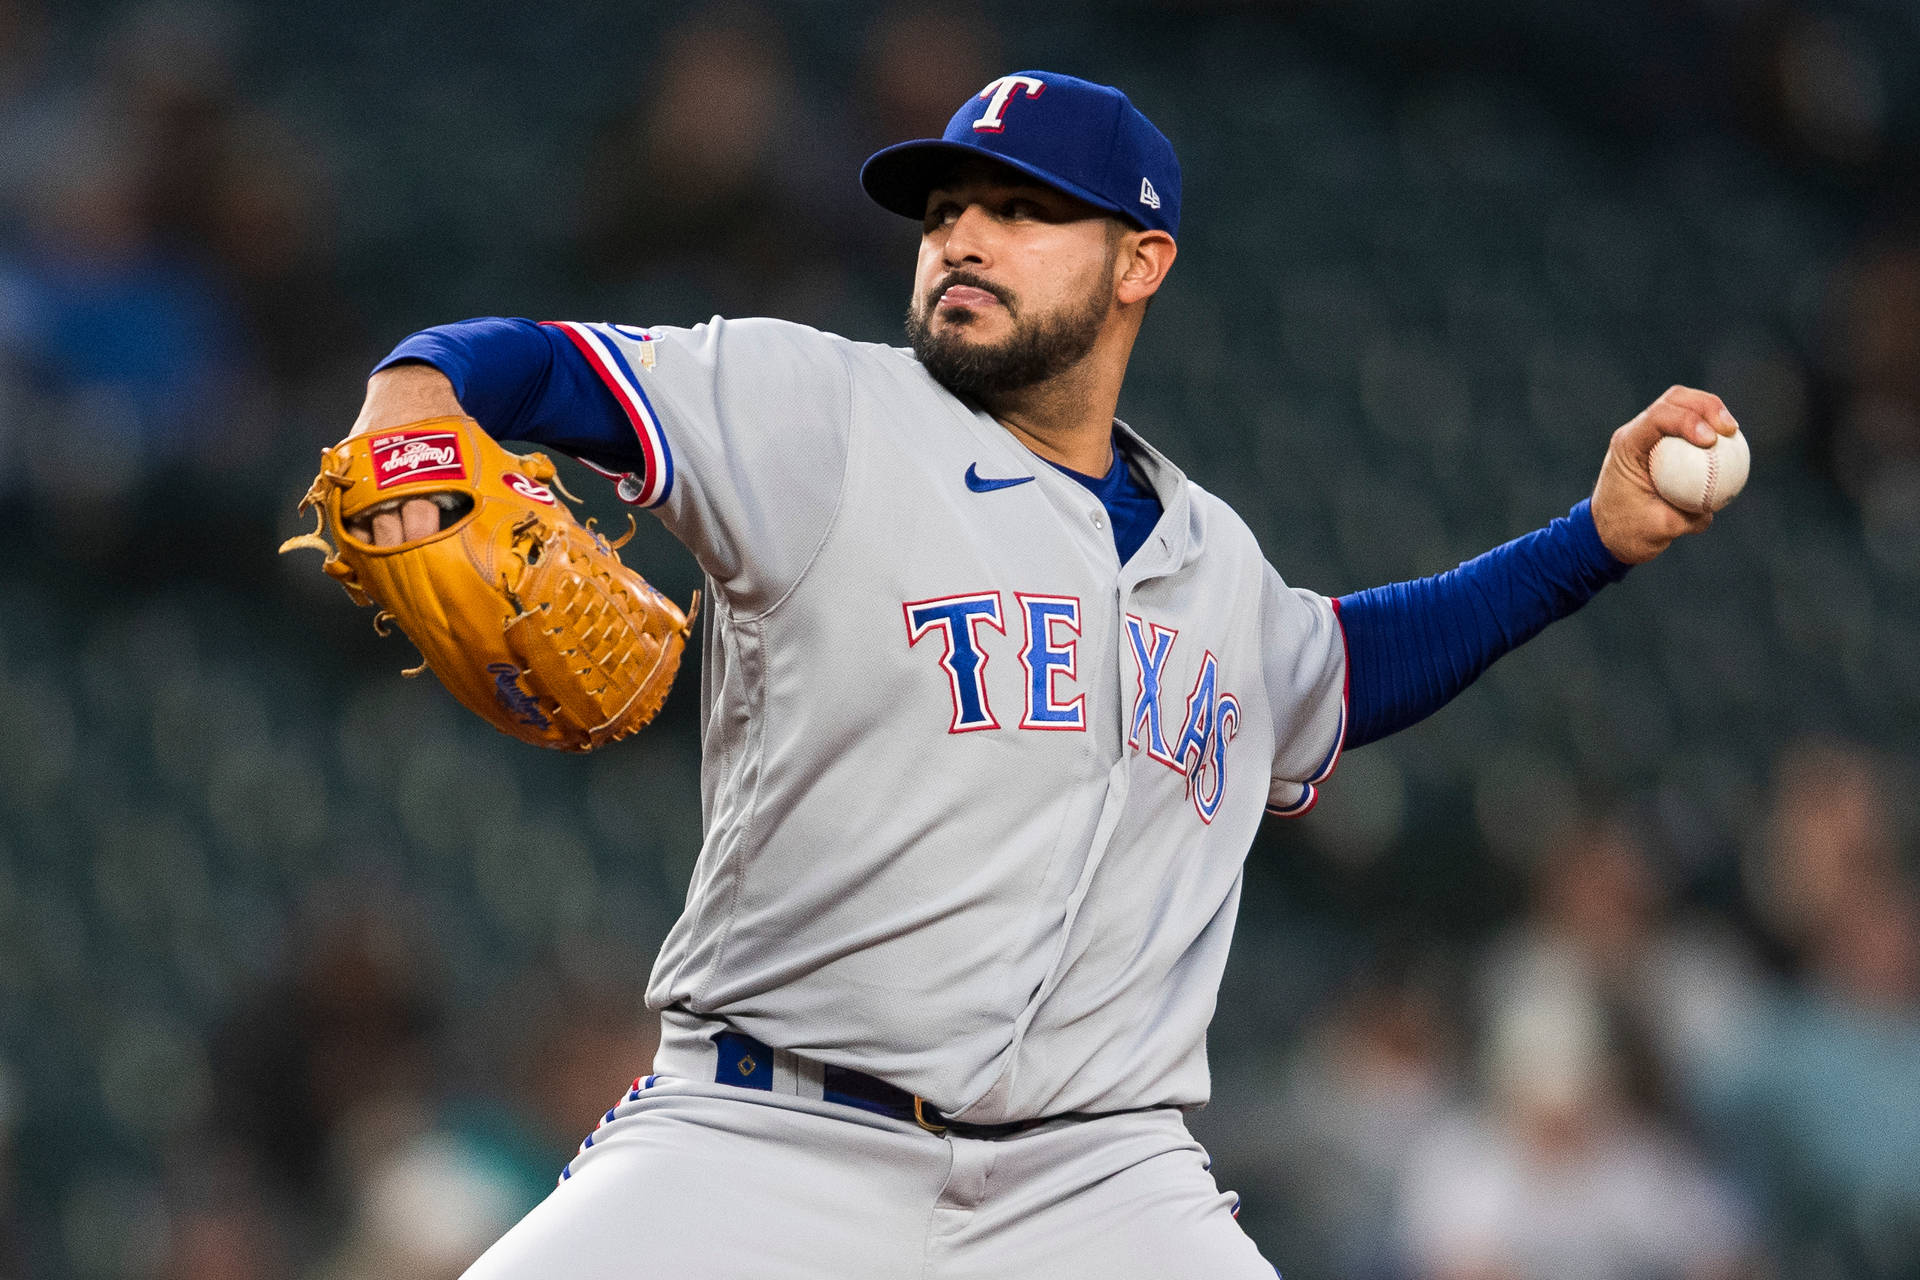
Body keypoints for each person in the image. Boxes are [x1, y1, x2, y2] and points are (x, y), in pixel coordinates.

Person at [336, 71, 1736, 1279]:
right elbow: (533, 364)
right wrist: (413, 394)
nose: (963, 238)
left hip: (1098, 1185)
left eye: (1020, 210)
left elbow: (1344, 672)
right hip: (767, 1136)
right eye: (945, 210)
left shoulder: (1214, 562)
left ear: (1141, 261)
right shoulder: (820, 414)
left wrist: (1593, 542)